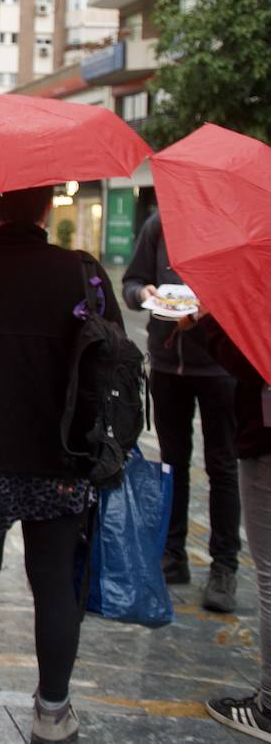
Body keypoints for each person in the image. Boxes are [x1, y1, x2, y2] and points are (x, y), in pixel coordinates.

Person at [0, 186, 123, 744]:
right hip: (60, 455)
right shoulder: (80, 271)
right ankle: (53, 710)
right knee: (54, 581)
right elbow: (108, 353)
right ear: (45, 208)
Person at [123, 210, 240, 612]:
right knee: (172, 462)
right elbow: (131, 284)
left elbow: (249, 291)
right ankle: (172, 554)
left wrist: (213, 307)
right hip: (168, 363)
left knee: (222, 465)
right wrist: (145, 295)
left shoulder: (231, 230)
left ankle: (224, 565)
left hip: (220, 366)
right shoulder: (160, 226)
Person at [198, 313, 271, 739]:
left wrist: (213, 320)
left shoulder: (259, 285)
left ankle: (268, 707)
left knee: (269, 575)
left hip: (265, 440)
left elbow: (246, 361)